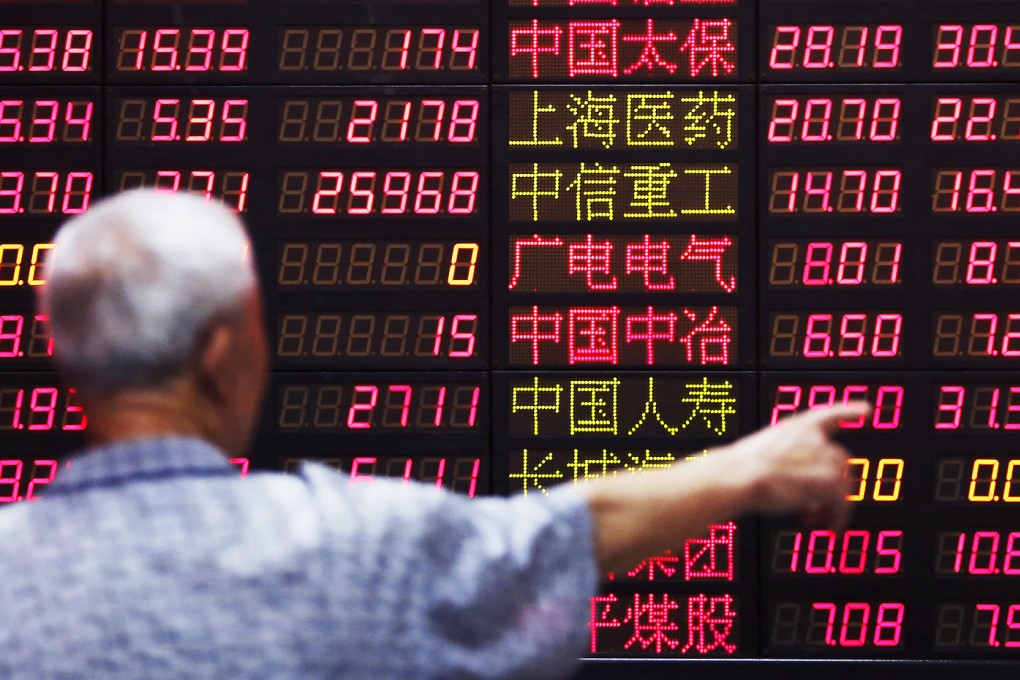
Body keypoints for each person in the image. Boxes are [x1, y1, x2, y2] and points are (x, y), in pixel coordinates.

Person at [0, 189, 868, 678]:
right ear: (220, 356)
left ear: (68, 358)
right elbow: (559, 538)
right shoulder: (344, 546)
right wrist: (754, 467)